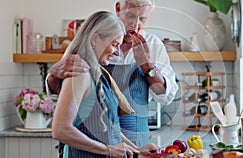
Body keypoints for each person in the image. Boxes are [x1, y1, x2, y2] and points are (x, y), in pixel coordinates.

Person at [47, 0, 178, 147]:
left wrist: (148, 66)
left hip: (133, 141)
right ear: (118, 8)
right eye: (130, 16)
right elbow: (63, 92)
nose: (135, 25)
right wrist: (53, 75)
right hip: (89, 142)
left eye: (142, 19)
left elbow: (165, 97)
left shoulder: (154, 45)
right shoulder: (90, 45)